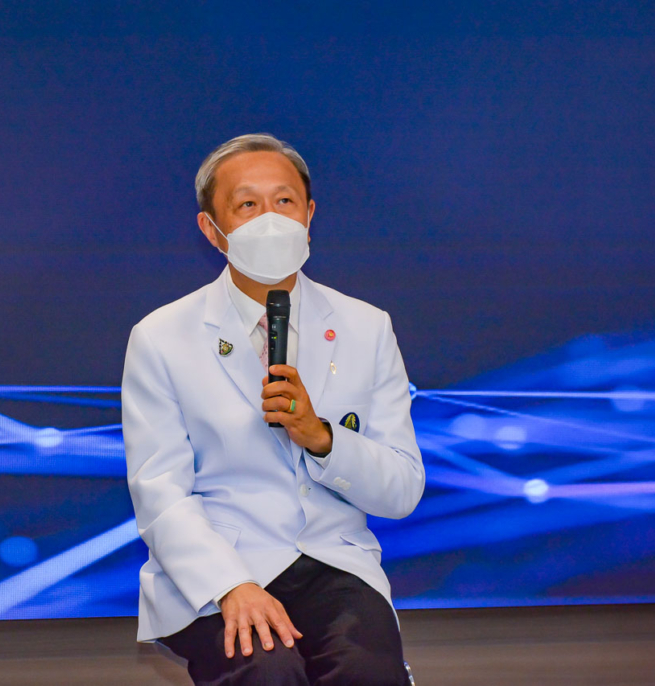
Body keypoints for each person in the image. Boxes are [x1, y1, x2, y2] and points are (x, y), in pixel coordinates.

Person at [122, 133, 425, 685]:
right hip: (219, 565)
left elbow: (401, 491)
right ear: (211, 230)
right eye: (247, 204)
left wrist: (322, 438)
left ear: (309, 215)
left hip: (335, 563)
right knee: (266, 668)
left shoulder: (366, 326)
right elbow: (160, 493)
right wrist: (230, 585)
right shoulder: (162, 337)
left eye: (284, 201)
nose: (270, 219)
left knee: (367, 671)